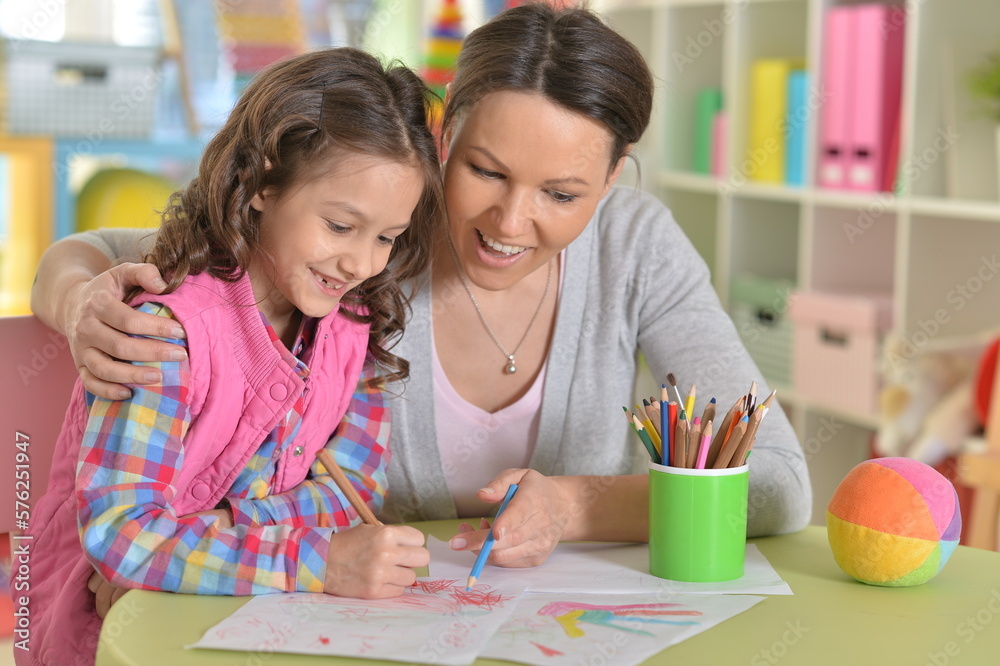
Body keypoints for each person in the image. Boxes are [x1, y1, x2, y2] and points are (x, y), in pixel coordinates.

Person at [32, 3, 811, 583]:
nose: (510, 221)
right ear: (445, 135)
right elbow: (131, 250)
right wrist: (80, 303)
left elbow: (776, 482)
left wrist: (574, 506)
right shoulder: (375, 227)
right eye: (486, 171)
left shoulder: (633, 246)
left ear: (611, 179)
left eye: (562, 193)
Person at [22, 47, 443, 666]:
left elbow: (353, 488)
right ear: (264, 185)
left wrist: (209, 529)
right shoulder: (167, 332)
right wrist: (316, 558)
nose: (362, 263)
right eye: (339, 225)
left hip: (250, 622)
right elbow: (122, 536)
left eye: (386, 237)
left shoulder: (355, 320)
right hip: (110, 636)